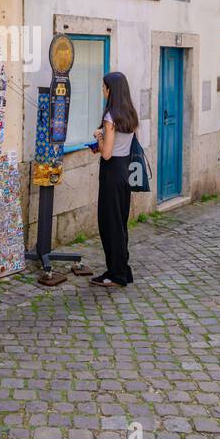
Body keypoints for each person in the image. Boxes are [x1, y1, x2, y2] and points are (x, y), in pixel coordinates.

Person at [90, 71, 138, 288]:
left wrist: (98, 137)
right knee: (120, 222)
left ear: (111, 90)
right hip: (125, 170)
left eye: (104, 87)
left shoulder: (110, 117)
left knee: (109, 224)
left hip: (111, 171)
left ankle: (115, 273)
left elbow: (107, 153)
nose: (103, 90)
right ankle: (123, 269)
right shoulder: (129, 114)